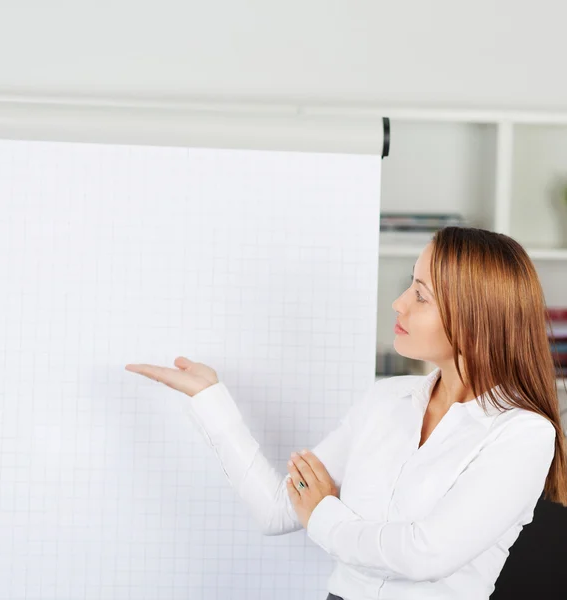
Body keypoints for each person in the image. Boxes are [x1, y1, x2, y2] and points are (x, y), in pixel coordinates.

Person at [125, 226, 567, 600]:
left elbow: (424, 554)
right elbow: (279, 510)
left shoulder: (522, 433)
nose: (399, 303)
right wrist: (210, 399)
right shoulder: (385, 401)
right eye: (409, 285)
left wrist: (324, 515)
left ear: (474, 317)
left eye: (420, 294)